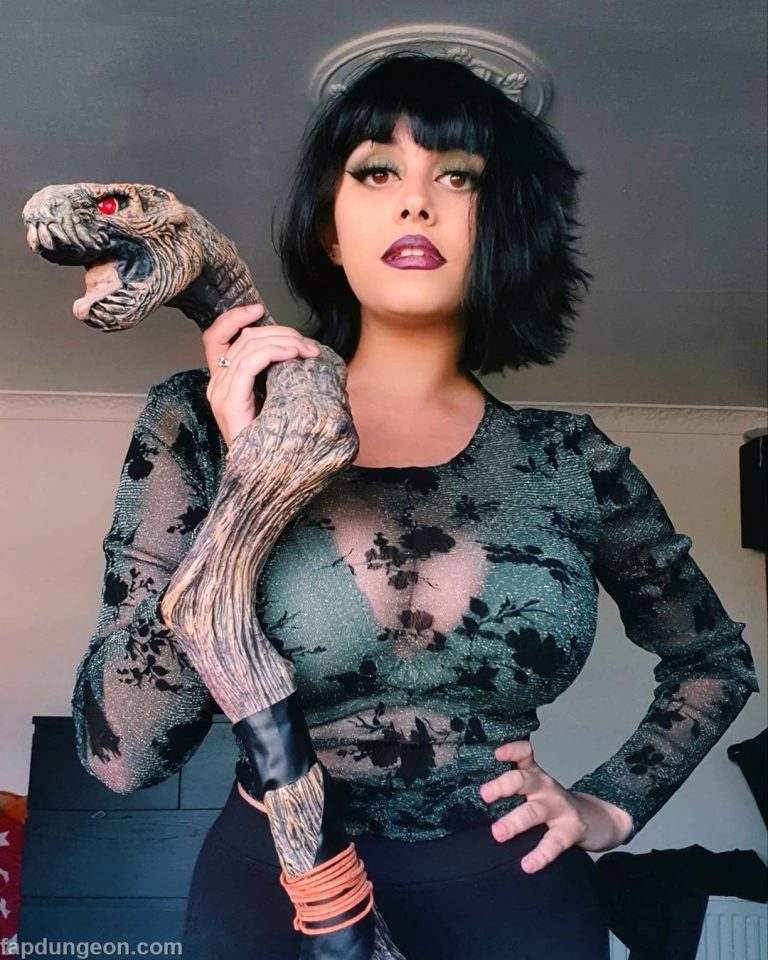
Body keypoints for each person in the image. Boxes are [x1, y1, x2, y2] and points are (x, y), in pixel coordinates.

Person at [71, 52, 760, 960]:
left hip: (514, 897)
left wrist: (610, 805)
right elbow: (123, 753)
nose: (416, 203)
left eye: (458, 178)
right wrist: (250, 482)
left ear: (499, 226)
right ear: (330, 227)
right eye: (377, 172)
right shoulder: (199, 419)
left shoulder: (568, 459)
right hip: (272, 896)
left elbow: (713, 661)